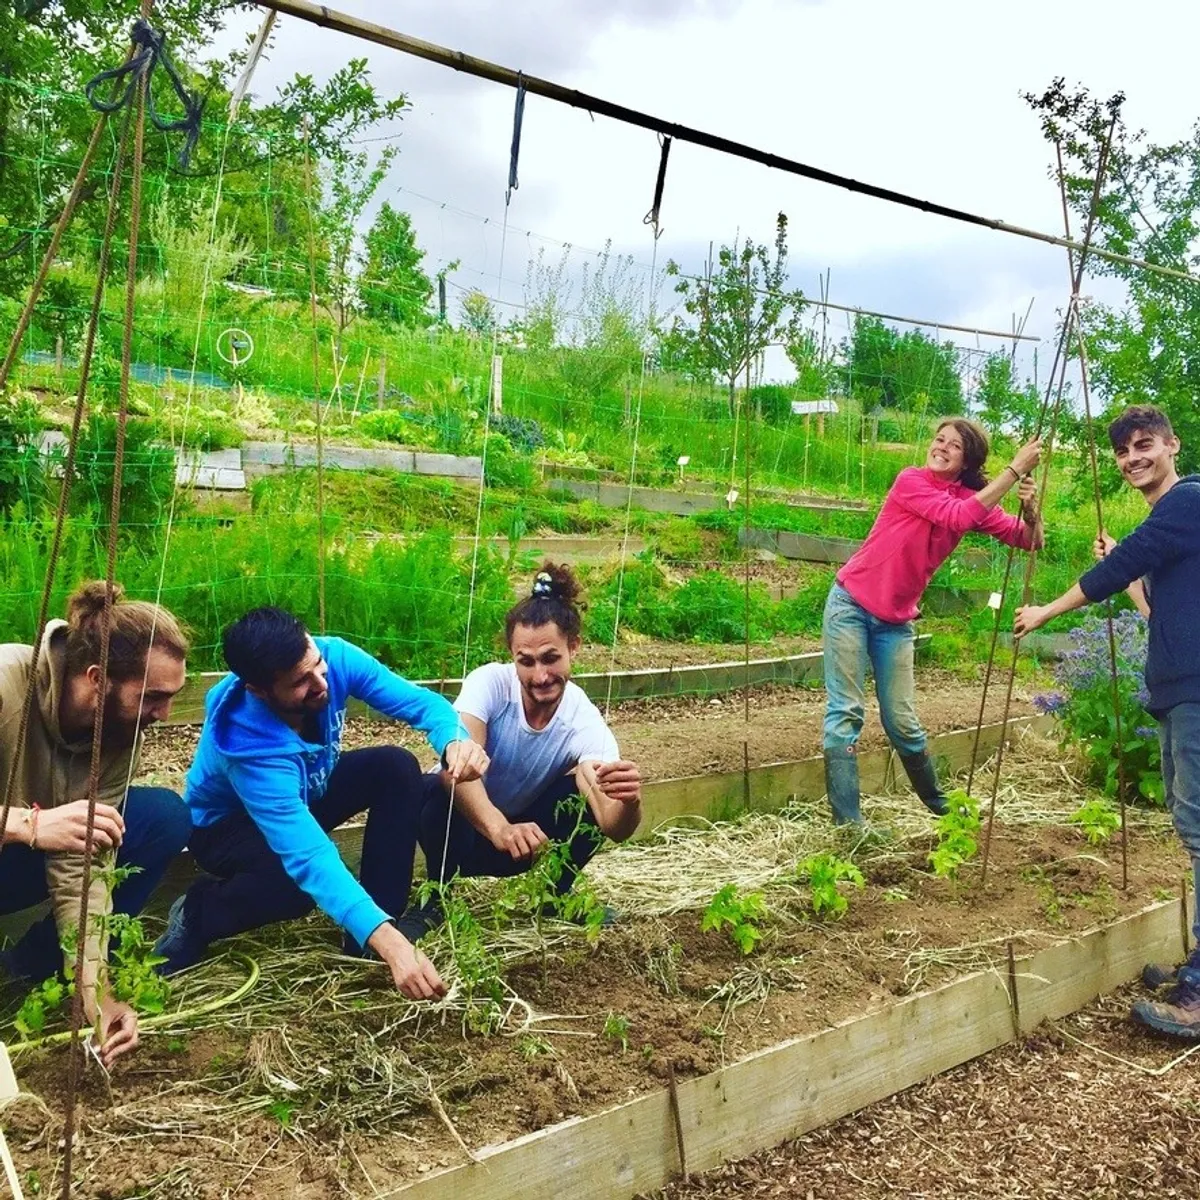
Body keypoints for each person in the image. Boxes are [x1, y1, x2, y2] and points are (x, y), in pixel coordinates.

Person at [155, 607, 489, 1000]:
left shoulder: (334, 658)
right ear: (259, 690)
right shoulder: (247, 746)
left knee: (394, 766)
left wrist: (453, 739)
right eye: (300, 681)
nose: (320, 683)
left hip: (304, 790)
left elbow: (420, 703)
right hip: (227, 826)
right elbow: (309, 855)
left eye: (316, 664)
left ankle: (371, 932)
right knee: (294, 887)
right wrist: (396, 948)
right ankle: (198, 913)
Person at [1014, 404, 1200, 1039]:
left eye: (1144, 445)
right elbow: (1154, 611)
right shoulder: (1172, 524)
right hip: (1180, 692)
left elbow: (1117, 568)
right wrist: (1133, 578)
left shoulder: (1187, 502)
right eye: (1124, 452)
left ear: (1173, 445)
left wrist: (1047, 610)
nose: (1132, 459)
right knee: (1191, 822)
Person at [0, 582, 190, 1067]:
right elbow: (47, 832)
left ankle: (33, 968)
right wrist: (28, 825)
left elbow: (83, 863)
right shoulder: (5, 685)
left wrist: (95, 991)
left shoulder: (120, 732)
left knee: (159, 817)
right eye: (154, 696)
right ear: (96, 677)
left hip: (15, 864)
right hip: (15, 840)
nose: (165, 715)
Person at [823, 419, 1043, 825]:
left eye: (953, 445)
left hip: (894, 622)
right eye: (939, 439)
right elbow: (956, 517)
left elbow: (1029, 541)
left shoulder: (969, 497)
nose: (940, 447)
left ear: (966, 460)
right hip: (850, 605)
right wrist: (1013, 471)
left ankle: (941, 808)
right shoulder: (911, 481)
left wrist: (1031, 511)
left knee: (902, 721)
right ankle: (848, 827)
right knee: (846, 712)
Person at [415, 564, 642, 924]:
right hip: (458, 835)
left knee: (580, 793)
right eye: (526, 661)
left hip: (525, 844)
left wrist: (629, 802)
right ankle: (436, 900)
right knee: (443, 779)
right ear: (512, 654)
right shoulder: (488, 683)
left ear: (574, 647)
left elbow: (613, 825)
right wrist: (499, 828)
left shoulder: (582, 720)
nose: (540, 676)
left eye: (551, 658)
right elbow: (456, 766)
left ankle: (554, 897)